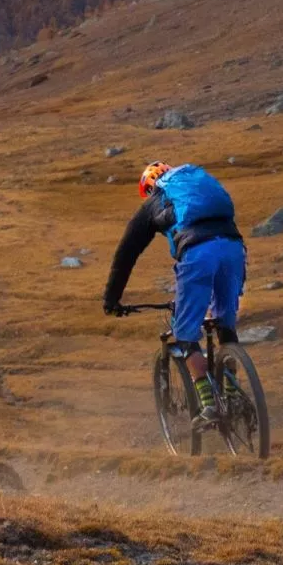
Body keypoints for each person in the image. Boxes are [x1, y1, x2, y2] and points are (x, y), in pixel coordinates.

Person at [102, 162, 246, 429]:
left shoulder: (154, 202)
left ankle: (210, 406)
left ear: (149, 188)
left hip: (197, 253)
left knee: (185, 333)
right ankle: (234, 395)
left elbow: (126, 254)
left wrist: (111, 300)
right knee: (224, 322)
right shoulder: (197, 181)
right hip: (233, 247)